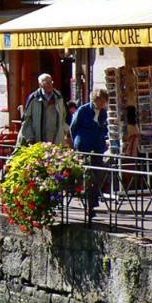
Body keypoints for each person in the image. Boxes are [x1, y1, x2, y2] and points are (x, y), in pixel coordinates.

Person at [71, 88, 109, 216]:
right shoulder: (83, 110)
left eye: (104, 102)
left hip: (97, 145)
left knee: (98, 173)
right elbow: (73, 127)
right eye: (101, 101)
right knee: (87, 174)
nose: (103, 104)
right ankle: (89, 204)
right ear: (95, 100)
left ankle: (92, 202)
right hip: (84, 145)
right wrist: (77, 141)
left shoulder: (103, 113)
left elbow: (103, 128)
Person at [17, 73, 70, 147]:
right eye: (47, 83)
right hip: (38, 137)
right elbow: (27, 120)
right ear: (40, 84)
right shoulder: (33, 98)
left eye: (51, 82)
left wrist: (66, 130)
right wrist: (30, 137)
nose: (50, 85)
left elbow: (64, 116)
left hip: (56, 138)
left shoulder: (59, 97)